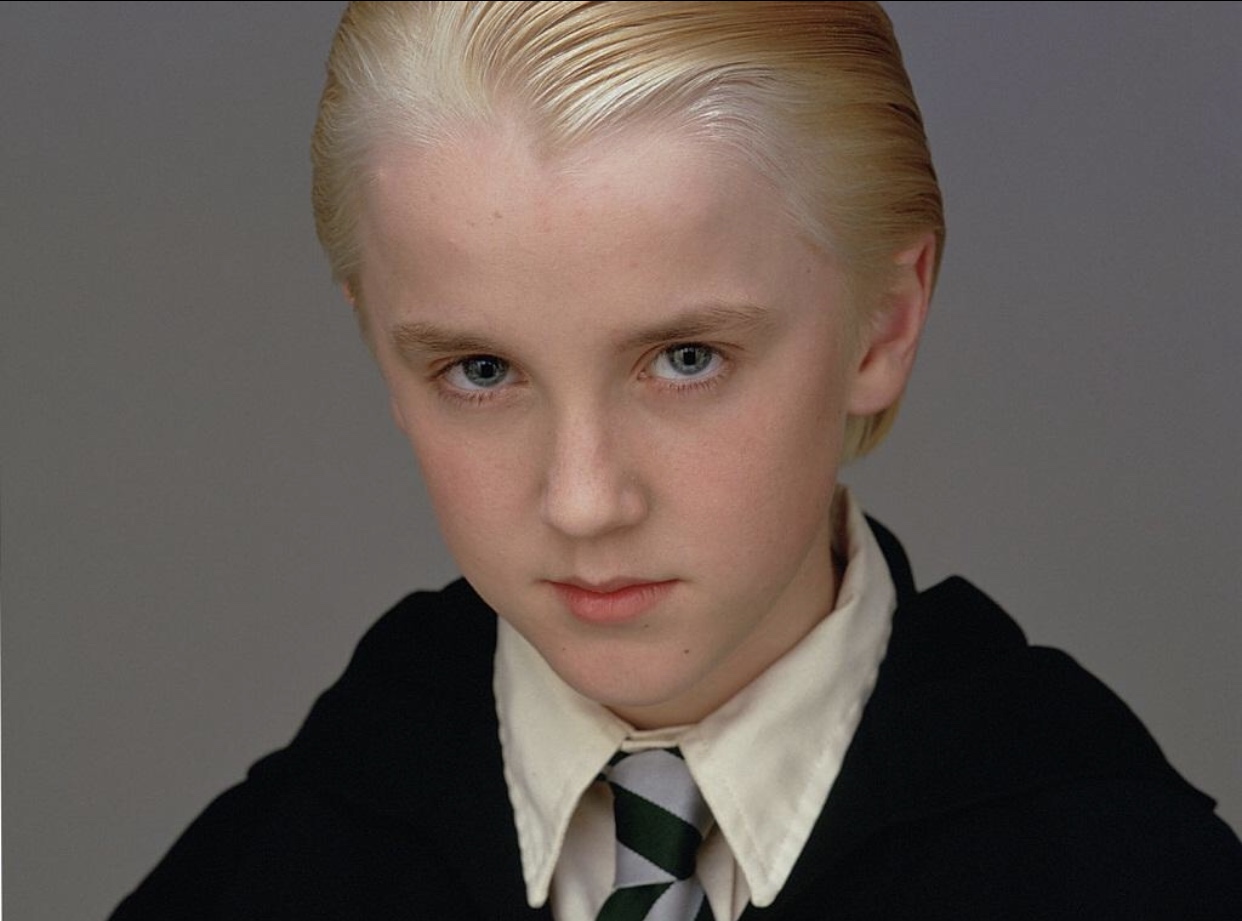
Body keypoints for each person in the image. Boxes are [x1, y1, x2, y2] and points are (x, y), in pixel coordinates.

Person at [109, 3, 1242, 919]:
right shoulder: (267, 872)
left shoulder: (1131, 878)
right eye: (481, 370)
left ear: (884, 325)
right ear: (376, 343)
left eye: (686, 358)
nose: (584, 502)